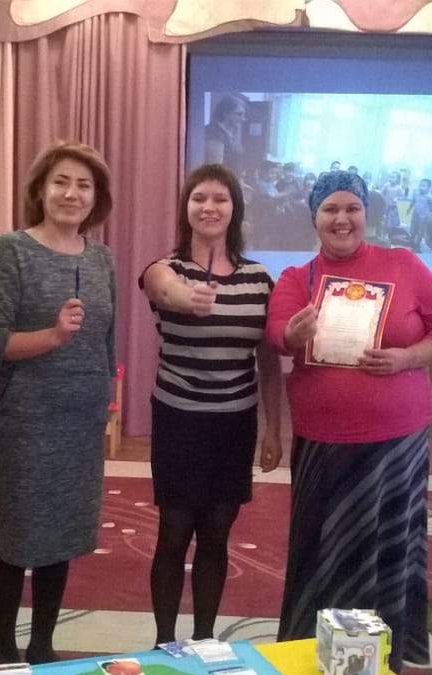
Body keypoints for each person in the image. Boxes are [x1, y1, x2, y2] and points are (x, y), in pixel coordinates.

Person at [266, 170, 432, 672]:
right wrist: (292, 334)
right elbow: (276, 333)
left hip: (398, 443)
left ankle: (385, 662)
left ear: (365, 213)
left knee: (388, 549)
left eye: (351, 208)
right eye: (330, 209)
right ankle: (316, 658)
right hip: (325, 445)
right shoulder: (296, 279)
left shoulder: (404, 264)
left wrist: (408, 357)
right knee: (326, 552)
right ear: (314, 218)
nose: (342, 218)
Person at [0, 140, 116, 665]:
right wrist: (53, 336)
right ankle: (5, 652)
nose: (71, 193)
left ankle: (42, 646)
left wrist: (104, 395)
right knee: (17, 542)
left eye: (83, 185)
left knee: (62, 539)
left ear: (96, 197)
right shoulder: (12, 250)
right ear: (40, 189)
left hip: (81, 422)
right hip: (27, 422)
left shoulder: (101, 257)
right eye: (61, 182)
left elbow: (107, 339)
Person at [139, 164, 283, 648]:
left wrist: (273, 429)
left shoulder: (259, 280)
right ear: (186, 208)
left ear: (234, 209)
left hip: (234, 425)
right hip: (179, 421)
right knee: (174, 531)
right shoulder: (166, 268)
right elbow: (160, 286)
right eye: (199, 198)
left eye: (220, 199)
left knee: (217, 533)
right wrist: (189, 298)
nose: (209, 207)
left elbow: (268, 361)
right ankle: (163, 642)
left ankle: (204, 639)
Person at [203, 95, 248, 173]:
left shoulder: (232, 131)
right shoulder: (214, 131)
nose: (243, 119)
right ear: (225, 113)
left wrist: (238, 130)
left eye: (244, 115)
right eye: (239, 114)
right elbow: (215, 167)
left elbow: (237, 151)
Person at [409, 178, 432, 251]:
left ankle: (417, 245)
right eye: (420, 185)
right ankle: (411, 242)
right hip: (415, 214)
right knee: (413, 229)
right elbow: (413, 201)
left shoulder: (429, 197)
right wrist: (409, 209)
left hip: (423, 217)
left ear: (428, 188)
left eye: (423, 186)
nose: (421, 187)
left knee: (420, 232)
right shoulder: (416, 193)